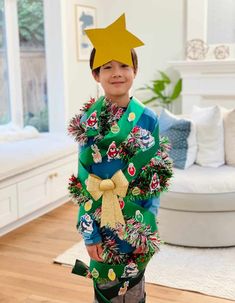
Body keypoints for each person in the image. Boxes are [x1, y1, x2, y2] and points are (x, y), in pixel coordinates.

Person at [68, 14, 173, 303]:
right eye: (107, 67)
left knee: (134, 286)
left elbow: (154, 176)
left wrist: (147, 225)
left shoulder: (148, 118)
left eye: (124, 65)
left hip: (136, 216)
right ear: (95, 74)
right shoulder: (87, 121)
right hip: (101, 218)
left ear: (135, 70)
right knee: (106, 285)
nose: (117, 72)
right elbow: (82, 180)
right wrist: (90, 235)